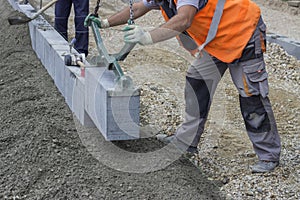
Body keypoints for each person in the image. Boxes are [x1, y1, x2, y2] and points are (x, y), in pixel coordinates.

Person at [84, 0, 281, 173]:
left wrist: (148, 37)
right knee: (196, 81)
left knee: (251, 96)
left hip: (242, 32)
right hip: (217, 41)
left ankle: (268, 155)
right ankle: (187, 142)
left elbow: (184, 19)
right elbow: (137, 7)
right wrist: (105, 22)